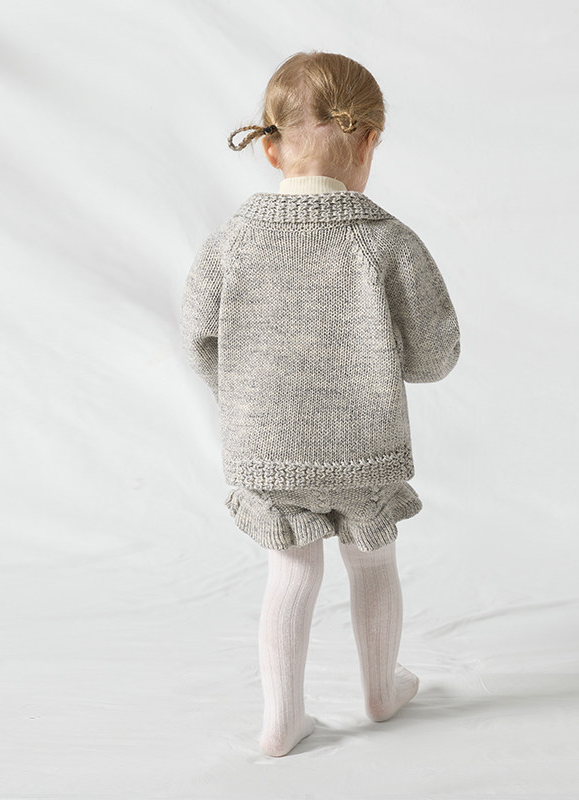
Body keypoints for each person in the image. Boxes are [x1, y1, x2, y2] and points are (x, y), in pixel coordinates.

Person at [180, 51, 460, 758]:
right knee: (373, 562)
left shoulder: (232, 241)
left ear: (270, 147)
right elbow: (435, 356)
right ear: (370, 142)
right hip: (366, 449)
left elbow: (200, 338)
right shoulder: (387, 241)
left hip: (266, 451)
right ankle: (380, 690)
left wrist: (246, 396)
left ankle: (281, 722)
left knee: (293, 572)